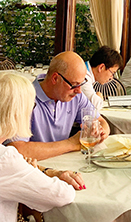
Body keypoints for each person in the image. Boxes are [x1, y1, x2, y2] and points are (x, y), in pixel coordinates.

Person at [0, 72, 85, 222]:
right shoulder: (5, 159)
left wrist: (44, 171)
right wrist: (47, 174)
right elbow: (62, 195)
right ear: (17, 113)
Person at [7, 51, 110, 161]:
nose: (79, 91)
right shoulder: (24, 98)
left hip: (64, 164)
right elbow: (16, 150)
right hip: (34, 169)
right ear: (55, 78)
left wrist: (99, 131)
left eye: (81, 84)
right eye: (74, 85)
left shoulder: (75, 97)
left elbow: (102, 122)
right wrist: (71, 144)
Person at [81, 46, 123, 110]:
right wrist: (99, 97)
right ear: (101, 67)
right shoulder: (83, 76)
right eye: (112, 73)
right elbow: (95, 106)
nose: (111, 78)